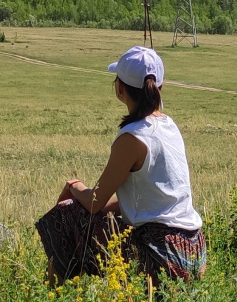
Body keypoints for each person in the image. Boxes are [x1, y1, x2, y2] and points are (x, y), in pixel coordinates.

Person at [36, 46, 207, 286]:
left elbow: (95, 201)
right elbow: (152, 200)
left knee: (66, 213)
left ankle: (54, 295)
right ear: (160, 87)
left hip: (160, 252)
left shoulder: (132, 138)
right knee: (106, 218)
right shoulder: (169, 125)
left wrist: (74, 187)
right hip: (193, 250)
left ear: (119, 88)